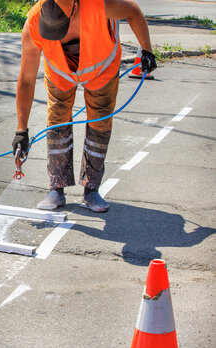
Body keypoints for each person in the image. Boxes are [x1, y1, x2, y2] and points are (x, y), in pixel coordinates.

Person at [12, 0, 156, 212]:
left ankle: (91, 190)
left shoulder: (99, 5)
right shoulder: (33, 24)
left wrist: (147, 50)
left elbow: (133, 11)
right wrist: (21, 130)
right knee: (57, 120)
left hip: (102, 69)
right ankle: (56, 189)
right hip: (61, 73)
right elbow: (26, 79)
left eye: (61, 29)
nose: (59, 36)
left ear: (75, 8)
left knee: (100, 120)